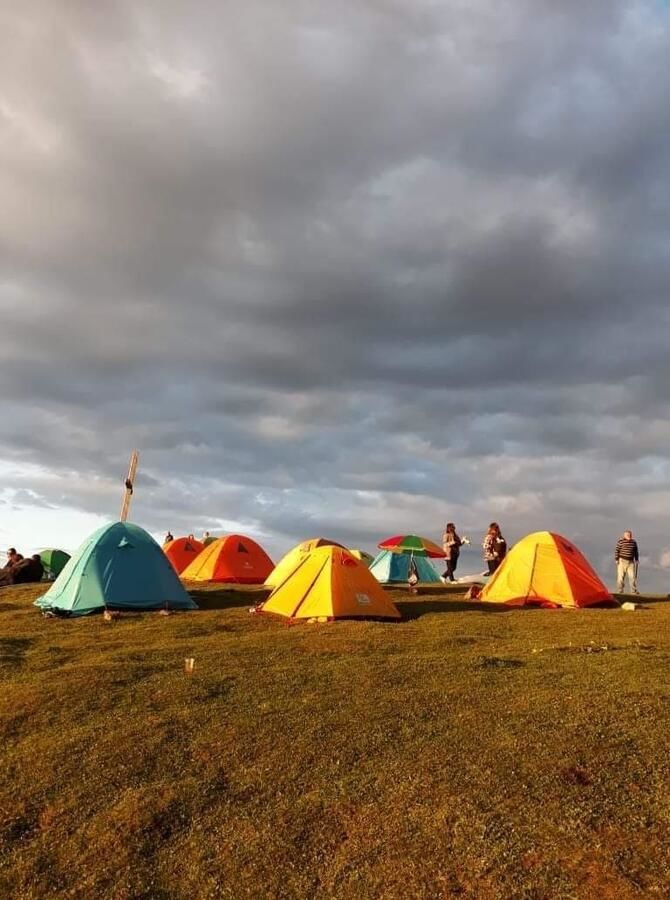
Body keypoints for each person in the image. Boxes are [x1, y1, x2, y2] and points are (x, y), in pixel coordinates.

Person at [615, 530, 639, 594]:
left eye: (630, 535)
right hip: (622, 561)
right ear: (624, 535)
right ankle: (620, 590)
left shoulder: (634, 542)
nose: (629, 536)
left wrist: (637, 559)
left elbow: (636, 551)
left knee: (632, 577)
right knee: (620, 577)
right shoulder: (621, 541)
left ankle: (633, 591)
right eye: (628, 535)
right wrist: (616, 559)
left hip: (631, 562)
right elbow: (617, 550)